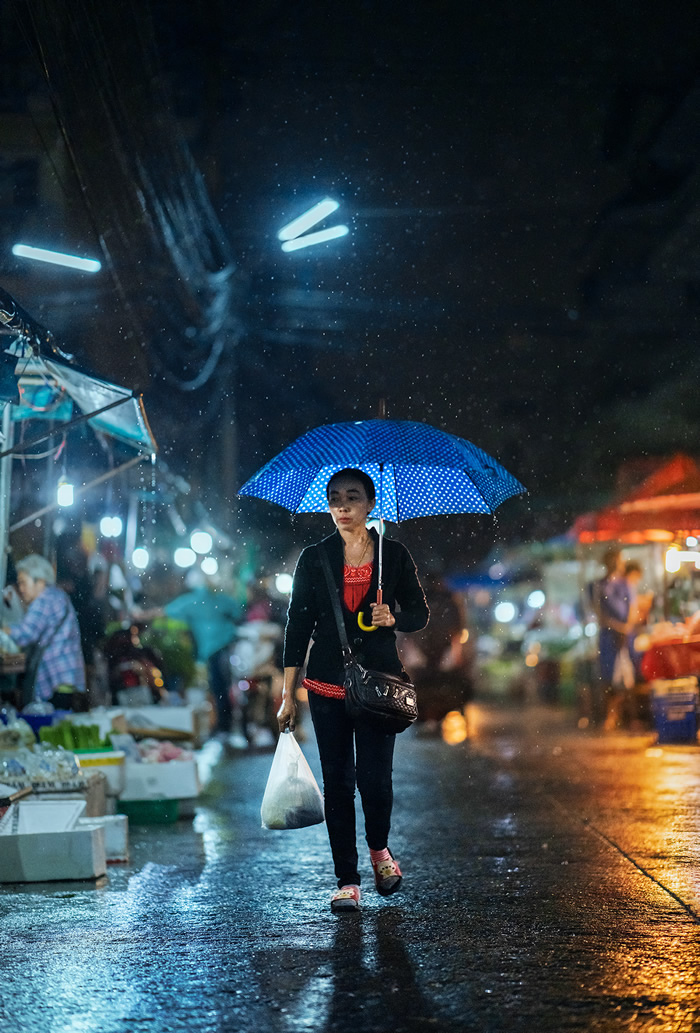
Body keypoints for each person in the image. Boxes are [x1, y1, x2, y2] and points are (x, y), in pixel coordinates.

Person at [278, 468, 429, 914]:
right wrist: (288, 694)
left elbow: (419, 612)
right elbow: (297, 627)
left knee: (375, 781)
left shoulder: (393, 555)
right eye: (335, 498)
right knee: (338, 784)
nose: (343, 507)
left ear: (370, 505)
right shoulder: (315, 557)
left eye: (353, 498)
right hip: (326, 684)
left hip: (379, 684)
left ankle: (380, 851)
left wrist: (393, 618)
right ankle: (347, 879)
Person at [159, 571, 241, 737]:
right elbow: (237, 610)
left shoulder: (193, 601)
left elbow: (168, 611)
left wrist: (139, 614)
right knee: (224, 687)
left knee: (218, 688)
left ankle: (224, 725)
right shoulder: (219, 598)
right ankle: (226, 724)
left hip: (213, 650)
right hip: (224, 647)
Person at [3, 554, 86, 709]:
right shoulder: (57, 596)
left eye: (23, 583)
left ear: (39, 581)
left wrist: (3, 630)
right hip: (65, 675)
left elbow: (25, 633)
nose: (21, 589)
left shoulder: (44, 599)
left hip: (57, 677)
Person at [591, 547, 631, 730]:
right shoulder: (598, 585)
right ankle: (610, 715)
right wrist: (616, 627)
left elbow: (632, 609)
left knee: (625, 677)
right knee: (608, 677)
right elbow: (598, 613)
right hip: (608, 635)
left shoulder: (625, 584)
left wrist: (625, 629)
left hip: (625, 635)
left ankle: (622, 715)